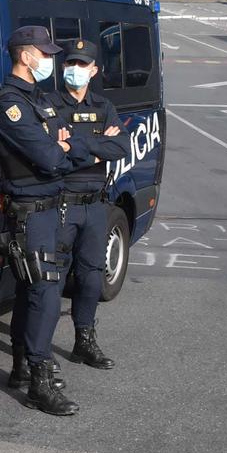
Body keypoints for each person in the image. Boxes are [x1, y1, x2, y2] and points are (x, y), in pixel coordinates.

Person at [0, 25, 82, 416]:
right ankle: (39, 378)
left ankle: (23, 364)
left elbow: (65, 139)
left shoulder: (36, 98)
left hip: (47, 208)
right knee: (43, 294)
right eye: (45, 53)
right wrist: (57, 147)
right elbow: (52, 157)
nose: (51, 60)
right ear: (25, 56)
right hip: (29, 211)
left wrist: (59, 144)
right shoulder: (10, 103)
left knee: (33, 292)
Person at [52, 39, 131, 370]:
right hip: (61, 203)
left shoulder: (104, 105)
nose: (74, 70)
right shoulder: (49, 104)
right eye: (70, 63)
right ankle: (38, 350)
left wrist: (77, 145)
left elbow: (121, 147)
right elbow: (54, 152)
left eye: (82, 65)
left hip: (96, 204)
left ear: (94, 70)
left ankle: (84, 340)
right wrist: (98, 146)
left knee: (90, 276)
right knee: (50, 277)